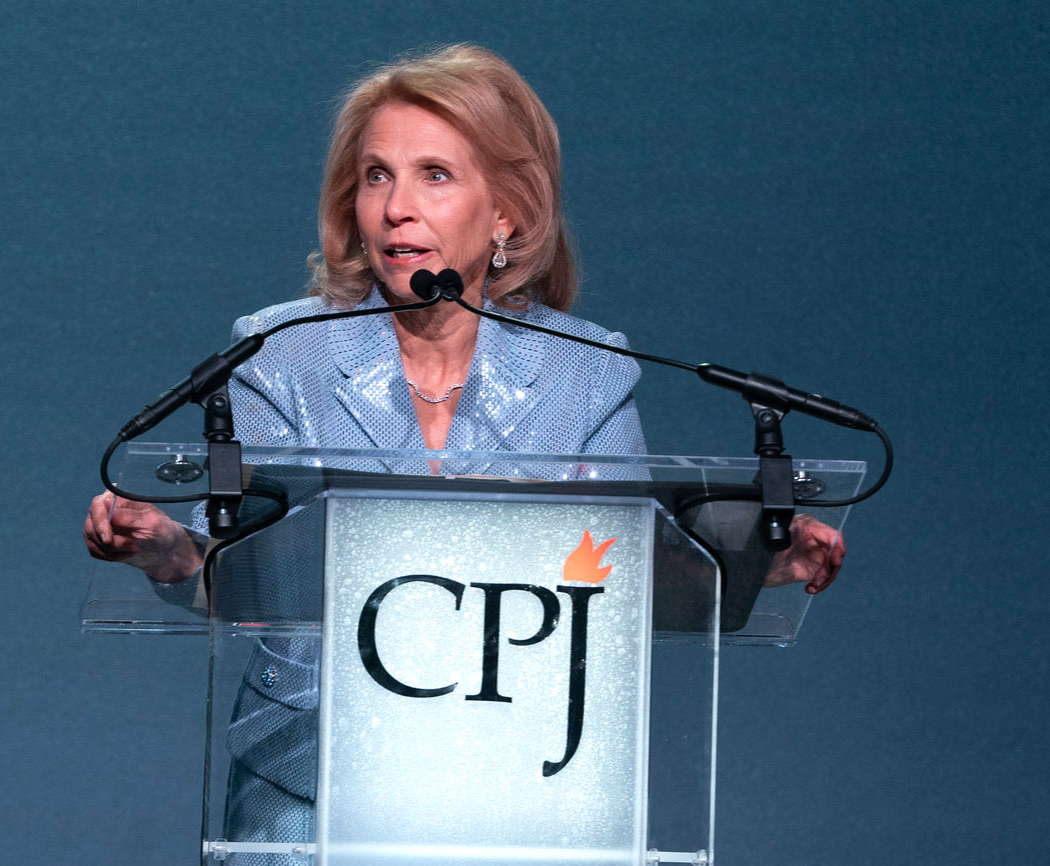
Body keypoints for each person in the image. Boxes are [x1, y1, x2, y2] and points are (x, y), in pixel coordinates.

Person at [85, 43, 844, 858]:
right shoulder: (281, 353)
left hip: (520, 779)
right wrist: (169, 552)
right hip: (306, 785)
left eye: (434, 175)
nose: (396, 207)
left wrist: (751, 563)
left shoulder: (585, 372)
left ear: (506, 212)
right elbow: (239, 572)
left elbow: (626, 575)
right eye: (377, 176)